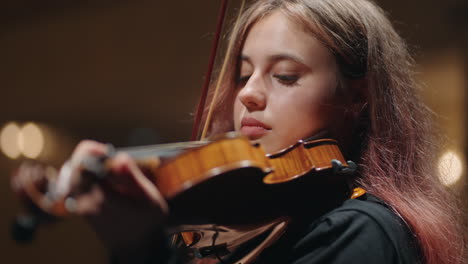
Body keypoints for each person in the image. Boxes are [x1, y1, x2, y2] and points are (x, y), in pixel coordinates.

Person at [14, 0, 465, 263]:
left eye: (285, 76)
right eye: (244, 73)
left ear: (357, 97)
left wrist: (141, 250)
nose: (247, 94)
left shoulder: (363, 233)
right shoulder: (254, 216)